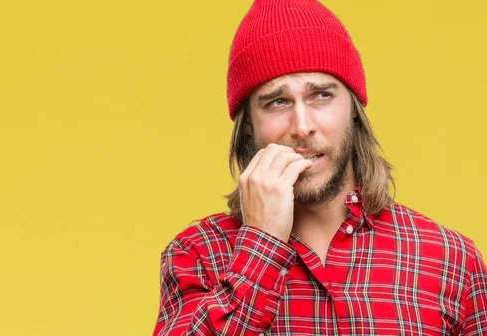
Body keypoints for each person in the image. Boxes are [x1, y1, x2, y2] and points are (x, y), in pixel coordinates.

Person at [153, 0, 487, 335]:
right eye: (277, 102)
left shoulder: (451, 261)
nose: (302, 126)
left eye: (322, 96)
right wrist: (262, 243)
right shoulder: (197, 254)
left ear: (353, 109)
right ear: (249, 125)